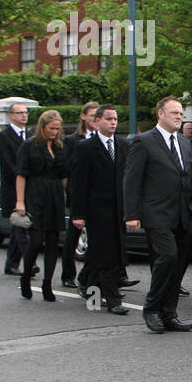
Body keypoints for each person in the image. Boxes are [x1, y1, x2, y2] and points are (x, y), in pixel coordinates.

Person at [123, 96, 192, 334]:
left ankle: (169, 313)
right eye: (175, 113)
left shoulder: (184, 143)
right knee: (167, 257)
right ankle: (151, 308)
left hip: (183, 214)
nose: (179, 117)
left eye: (181, 114)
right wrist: (132, 214)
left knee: (179, 263)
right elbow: (132, 180)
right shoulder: (143, 142)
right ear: (160, 113)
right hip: (157, 214)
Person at [69, 105, 130, 315]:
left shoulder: (123, 146)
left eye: (115, 119)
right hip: (97, 210)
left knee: (99, 254)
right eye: (109, 119)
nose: (113, 122)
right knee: (107, 255)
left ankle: (89, 289)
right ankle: (113, 299)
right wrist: (78, 214)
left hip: (119, 209)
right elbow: (79, 183)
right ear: (97, 122)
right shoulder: (86, 147)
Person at [15, 110, 68, 302]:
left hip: (55, 195)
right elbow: (21, 174)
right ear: (42, 126)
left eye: (57, 129)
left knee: (54, 242)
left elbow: (64, 175)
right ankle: (26, 277)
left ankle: (47, 284)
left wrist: (71, 196)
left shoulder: (60, 146)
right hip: (35, 193)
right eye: (51, 128)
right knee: (36, 240)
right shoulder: (29, 146)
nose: (54, 132)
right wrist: (20, 201)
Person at [60, 101, 100, 288]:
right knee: (73, 234)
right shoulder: (72, 140)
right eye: (91, 115)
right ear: (83, 117)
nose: (94, 119)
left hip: (98, 194)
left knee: (100, 237)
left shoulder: (104, 138)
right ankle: (68, 274)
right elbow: (69, 168)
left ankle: (96, 275)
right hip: (79, 192)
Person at [0, 102, 31, 275]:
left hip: (30, 189)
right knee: (19, 224)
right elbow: (7, 164)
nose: (24, 116)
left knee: (20, 226)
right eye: (19, 113)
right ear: (11, 115)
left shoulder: (31, 135)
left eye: (25, 112)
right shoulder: (3, 136)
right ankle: (29, 261)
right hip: (12, 188)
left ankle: (11, 264)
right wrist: (24, 176)